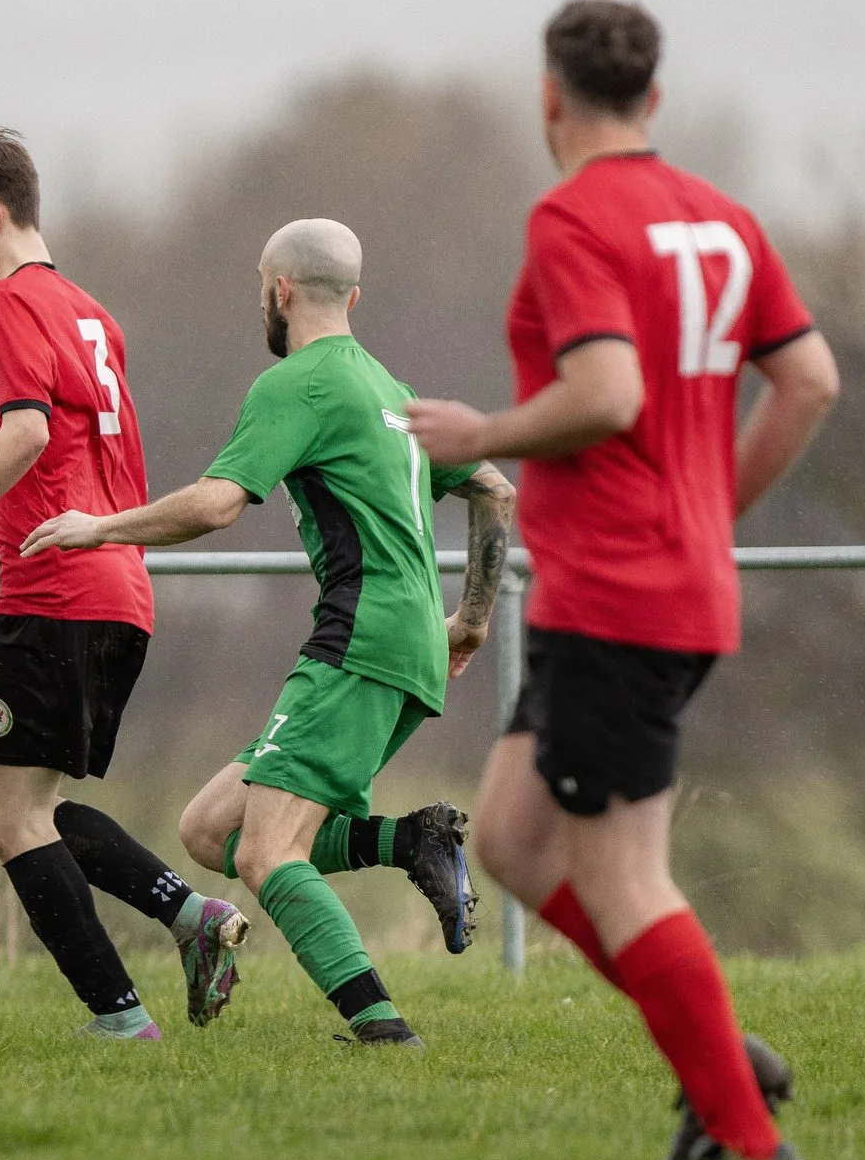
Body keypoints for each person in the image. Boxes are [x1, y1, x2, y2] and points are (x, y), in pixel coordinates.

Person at [407, 0, 840, 1160]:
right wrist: (715, 507)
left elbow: (607, 395)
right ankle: (714, 1049)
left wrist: (478, 433)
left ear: (550, 96)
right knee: (506, 835)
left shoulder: (572, 218)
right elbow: (808, 381)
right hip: (654, 584)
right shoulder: (721, 218)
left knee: (620, 874)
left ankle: (745, 1142)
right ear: (654, 97)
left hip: (622, 592)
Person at [25, 218, 513, 1046]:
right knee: (211, 829)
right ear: (351, 297)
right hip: (408, 644)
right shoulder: (393, 391)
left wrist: (98, 527)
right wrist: (469, 620)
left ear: (279, 290)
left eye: (261, 286)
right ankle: (411, 839)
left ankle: (384, 1034)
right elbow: (495, 488)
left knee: (264, 855)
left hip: (359, 639)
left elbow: (219, 502)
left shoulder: (299, 384)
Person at [0, 122, 249, 1039]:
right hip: (122, 593)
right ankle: (189, 915)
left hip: (54, 592)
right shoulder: (93, 314)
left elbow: (28, 433)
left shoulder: (3, 306)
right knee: (32, 807)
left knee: (7, 816)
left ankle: (122, 1020)